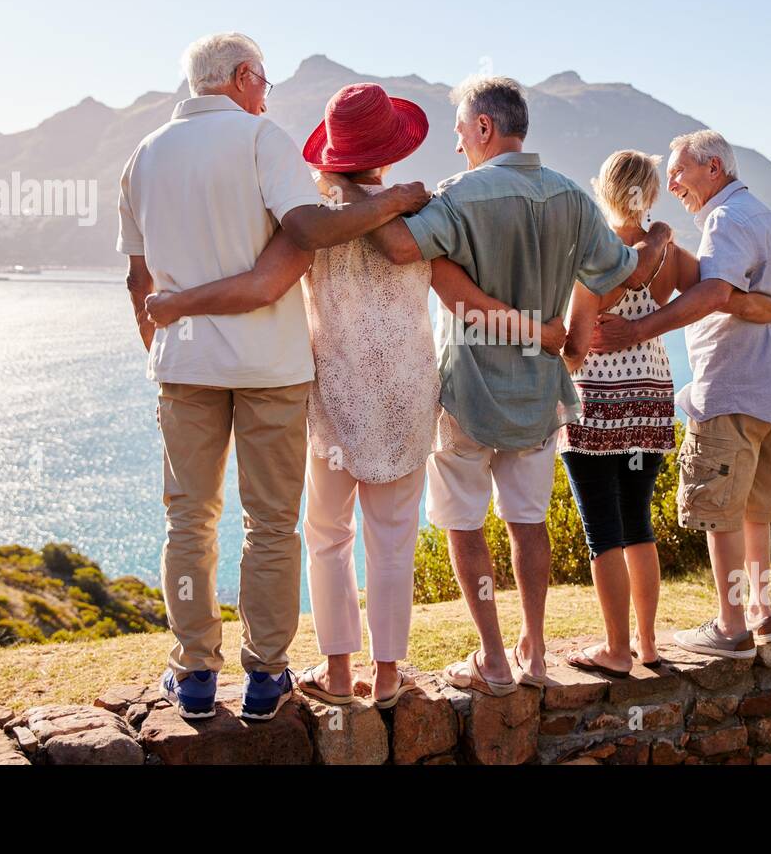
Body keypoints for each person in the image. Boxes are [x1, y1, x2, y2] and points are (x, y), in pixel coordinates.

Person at [145, 83, 564, 707]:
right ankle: (389, 675)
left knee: (327, 535)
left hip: (335, 393)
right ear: (389, 150)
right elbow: (460, 297)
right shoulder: (421, 215)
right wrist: (539, 334)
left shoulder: (311, 220)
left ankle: (339, 674)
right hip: (404, 390)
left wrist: (178, 303)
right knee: (392, 539)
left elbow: (262, 286)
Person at [325, 76, 673, 694]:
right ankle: (534, 654)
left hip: (470, 394)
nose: (458, 147)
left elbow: (401, 247)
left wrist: (360, 190)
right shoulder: (572, 197)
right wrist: (658, 241)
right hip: (540, 398)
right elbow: (625, 271)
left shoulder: (462, 195)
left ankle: (492, 658)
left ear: (484, 127)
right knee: (528, 522)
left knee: (464, 524)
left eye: (461, 132)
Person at [118, 33, 429, 720]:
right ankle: (265, 675)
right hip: (272, 369)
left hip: (185, 366)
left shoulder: (142, 156)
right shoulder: (262, 142)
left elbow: (138, 278)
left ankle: (194, 673)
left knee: (188, 521)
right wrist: (395, 198)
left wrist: (161, 343)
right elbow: (311, 230)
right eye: (263, 79)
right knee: (271, 526)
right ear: (239, 76)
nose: (266, 92)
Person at [559, 150, 771, 677]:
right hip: (650, 402)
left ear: (602, 189)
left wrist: (537, 369)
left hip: (596, 404)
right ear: (652, 195)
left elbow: (575, 347)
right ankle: (645, 645)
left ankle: (616, 650)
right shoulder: (668, 257)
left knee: (602, 532)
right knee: (638, 526)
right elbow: (725, 297)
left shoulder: (588, 253)